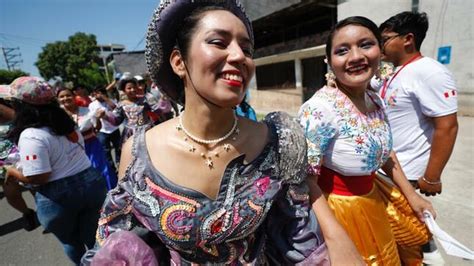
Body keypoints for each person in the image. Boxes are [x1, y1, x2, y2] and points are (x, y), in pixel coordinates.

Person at [82, 1, 362, 265]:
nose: (240, 56)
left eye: (247, 49)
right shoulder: (138, 153)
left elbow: (301, 234)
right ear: (179, 62)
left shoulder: (279, 141)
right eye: (218, 42)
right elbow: (124, 245)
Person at [299, 16, 435, 265]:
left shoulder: (375, 100)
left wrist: (412, 197)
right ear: (329, 61)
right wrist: (335, 238)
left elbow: (386, 153)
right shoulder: (319, 110)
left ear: (380, 51)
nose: (355, 57)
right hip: (337, 213)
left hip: (373, 202)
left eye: (365, 45)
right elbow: (305, 180)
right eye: (342, 50)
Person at [375, 11, 459, 265]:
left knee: (414, 238)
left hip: (409, 174)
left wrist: (431, 176)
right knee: (401, 236)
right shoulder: (397, 72)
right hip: (388, 169)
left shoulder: (430, 72)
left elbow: (447, 126)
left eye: (385, 39)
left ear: (408, 39)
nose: (380, 46)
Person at [5, 77, 107, 264]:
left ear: (21, 105)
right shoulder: (65, 123)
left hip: (59, 196)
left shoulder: (31, 135)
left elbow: (40, 177)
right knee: (94, 239)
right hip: (92, 183)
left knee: (71, 242)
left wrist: (12, 171)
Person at [57, 88, 118, 190]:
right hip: (72, 150)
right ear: (58, 99)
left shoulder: (86, 110)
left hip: (92, 145)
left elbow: (97, 128)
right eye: (62, 97)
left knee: (101, 169)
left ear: (74, 96)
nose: (65, 98)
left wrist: (99, 118)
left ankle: (111, 193)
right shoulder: (58, 116)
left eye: (68, 95)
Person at [0, 86, 39, 231]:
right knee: (11, 194)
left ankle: (45, 212)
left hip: (23, 155)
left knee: (36, 187)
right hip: (3, 164)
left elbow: (20, 120)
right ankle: (27, 213)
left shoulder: (13, 110)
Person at [89, 85, 122, 173]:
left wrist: (105, 98)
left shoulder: (110, 101)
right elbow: (93, 118)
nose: (98, 95)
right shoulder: (92, 105)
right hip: (102, 130)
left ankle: (120, 164)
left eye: (101, 93)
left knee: (118, 147)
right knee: (106, 150)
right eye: (96, 93)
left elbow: (115, 108)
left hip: (114, 129)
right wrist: (98, 116)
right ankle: (111, 169)